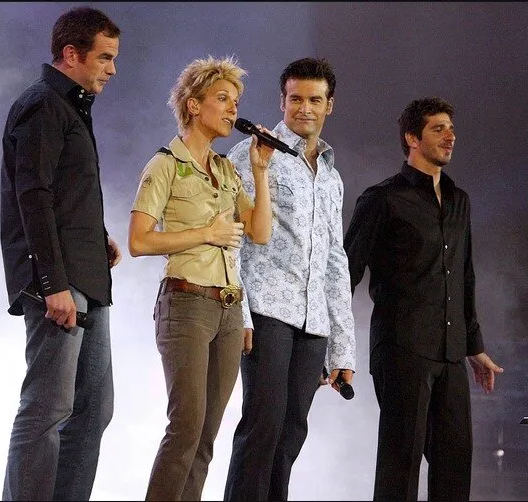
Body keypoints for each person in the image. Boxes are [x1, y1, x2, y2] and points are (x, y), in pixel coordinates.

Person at [127, 55, 275, 500]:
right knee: (186, 427)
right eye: (223, 99)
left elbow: (260, 232)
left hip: (228, 309)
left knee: (207, 435)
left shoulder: (227, 169)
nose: (233, 109)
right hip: (186, 303)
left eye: (236, 101)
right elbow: (138, 241)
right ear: (194, 105)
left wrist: (260, 170)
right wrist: (205, 233)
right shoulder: (165, 164)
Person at [344, 97, 504, 501]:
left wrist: (474, 346)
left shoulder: (459, 200)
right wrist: (336, 346)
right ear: (412, 138)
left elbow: (464, 276)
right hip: (402, 349)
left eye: (451, 128)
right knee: (400, 466)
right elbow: (346, 273)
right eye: (438, 128)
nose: (450, 136)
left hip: (450, 353)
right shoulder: (382, 199)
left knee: (454, 466)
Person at [0, 7, 121, 501]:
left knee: (93, 409)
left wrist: (97, 235)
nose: (112, 69)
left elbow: (64, 190)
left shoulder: (70, 106)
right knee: (47, 410)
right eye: (104, 57)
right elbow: (33, 195)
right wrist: (52, 284)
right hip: (61, 284)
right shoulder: (43, 105)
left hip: (86, 276)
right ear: (71, 54)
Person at [223, 57, 356, 501]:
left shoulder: (332, 176)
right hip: (265, 310)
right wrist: (240, 313)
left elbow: (335, 260)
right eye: (295, 99)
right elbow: (232, 239)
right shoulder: (252, 154)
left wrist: (342, 347)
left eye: (315, 100)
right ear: (282, 101)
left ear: (329, 105)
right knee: (261, 427)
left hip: (313, 323)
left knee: (291, 434)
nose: (304, 108)